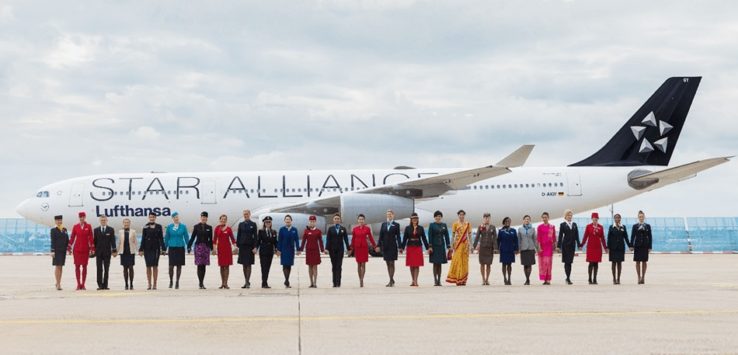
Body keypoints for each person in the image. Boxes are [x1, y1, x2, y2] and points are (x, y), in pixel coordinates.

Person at [139, 212, 165, 290]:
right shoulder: (145, 226)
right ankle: (149, 283)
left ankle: (155, 284)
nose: (152, 218)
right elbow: (143, 238)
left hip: (156, 248)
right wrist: (141, 249)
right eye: (150, 217)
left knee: (155, 266)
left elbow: (161, 238)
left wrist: (163, 248)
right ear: (149, 218)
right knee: (148, 266)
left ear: (155, 218)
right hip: (147, 249)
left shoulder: (159, 226)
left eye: (153, 217)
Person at [350, 214, 378, 288]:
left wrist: (375, 246)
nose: (361, 220)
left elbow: (371, 238)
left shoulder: (367, 228)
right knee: (358, 265)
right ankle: (360, 279)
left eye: (362, 219)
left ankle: (362, 279)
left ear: (364, 220)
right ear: (358, 220)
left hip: (364, 248)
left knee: (363, 264)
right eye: (359, 219)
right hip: (357, 248)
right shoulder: (355, 229)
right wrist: (351, 248)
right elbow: (353, 239)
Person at [188, 212, 213, 290]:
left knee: (204, 265)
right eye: (202, 217)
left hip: (206, 247)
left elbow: (210, 239)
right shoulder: (196, 227)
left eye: (205, 217)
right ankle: (200, 283)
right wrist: (189, 246)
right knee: (199, 265)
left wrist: (212, 248)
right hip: (198, 247)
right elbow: (192, 237)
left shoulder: (209, 227)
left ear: (207, 218)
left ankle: (202, 282)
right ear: (200, 217)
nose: (204, 218)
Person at [401, 213, 428, 287]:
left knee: (417, 264)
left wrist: (428, 247)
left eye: (416, 218)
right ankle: (413, 280)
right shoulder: (407, 228)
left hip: (418, 247)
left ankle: (416, 281)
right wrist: (402, 248)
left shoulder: (420, 228)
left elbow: (424, 238)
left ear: (418, 220)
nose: (415, 220)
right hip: (410, 247)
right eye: (413, 219)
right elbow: (405, 239)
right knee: (411, 265)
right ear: (411, 220)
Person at [68, 211, 93, 290]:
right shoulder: (75, 226)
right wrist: (69, 246)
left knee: (85, 266)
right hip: (77, 249)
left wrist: (92, 248)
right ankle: (78, 284)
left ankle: (83, 284)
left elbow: (91, 237)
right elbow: (72, 237)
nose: (82, 218)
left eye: (83, 217)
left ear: (85, 217)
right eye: (80, 217)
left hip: (85, 249)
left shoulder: (88, 226)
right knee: (77, 266)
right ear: (79, 218)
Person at [581, 212, 608, 285]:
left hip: (597, 247)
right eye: (594, 219)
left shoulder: (600, 227)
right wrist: (582, 244)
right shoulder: (588, 226)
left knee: (596, 263)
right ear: (592, 219)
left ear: (598, 219)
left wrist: (605, 247)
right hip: (590, 247)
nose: (595, 220)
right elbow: (585, 236)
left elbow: (602, 238)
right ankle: (589, 278)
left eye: (596, 219)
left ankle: (595, 279)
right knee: (591, 263)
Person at [446, 210, 471, 286]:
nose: (461, 216)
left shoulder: (468, 224)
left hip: (465, 245)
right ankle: (458, 279)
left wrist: (471, 245)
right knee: (457, 261)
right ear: (458, 215)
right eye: (460, 215)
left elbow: (469, 235)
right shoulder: (455, 224)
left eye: (463, 215)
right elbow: (453, 235)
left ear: (464, 215)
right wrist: (451, 245)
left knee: (464, 262)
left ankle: (463, 279)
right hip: (457, 244)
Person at [378, 209, 402, 287]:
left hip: (393, 246)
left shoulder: (396, 225)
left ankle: (391, 281)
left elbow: (398, 236)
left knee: (392, 263)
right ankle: (391, 279)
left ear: (393, 215)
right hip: (385, 246)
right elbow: (381, 236)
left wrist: (400, 246)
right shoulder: (384, 224)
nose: (389, 215)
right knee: (388, 263)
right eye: (388, 214)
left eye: (390, 214)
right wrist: (378, 245)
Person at [164, 212, 188, 289]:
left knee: (179, 265)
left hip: (180, 247)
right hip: (172, 247)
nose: (176, 218)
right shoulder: (169, 227)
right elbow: (167, 238)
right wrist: (165, 247)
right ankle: (171, 280)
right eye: (175, 217)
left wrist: (189, 246)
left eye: (177, 217)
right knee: (171, 266)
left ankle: (177, 281)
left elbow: (186, 237)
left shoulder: (183, 226)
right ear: (173, 218)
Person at [557, 209, 581, 285]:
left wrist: (579, 244)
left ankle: (568, 277)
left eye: (570, 215)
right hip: (565, 245)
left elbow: (577, 235)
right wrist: (558, 246)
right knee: (567, 262)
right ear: (565, 216)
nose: (569, 216)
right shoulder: (562, 225)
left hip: (572, 246)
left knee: (570, 262)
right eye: (568, 215)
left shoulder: (574, 224)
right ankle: (568, 278)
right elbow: (560, 236)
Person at [325, 213, 350, 288]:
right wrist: (326, 248)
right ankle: (334, 282)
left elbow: (346, 240)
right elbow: (328, 240)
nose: (337, 220)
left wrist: (348, 249)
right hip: (332, 250)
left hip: (340, 250)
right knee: (334, 266)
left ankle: (338, 282)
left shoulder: (343, 229)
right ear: (333, 220)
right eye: (335, 219)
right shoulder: (330, 229)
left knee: (339, 266)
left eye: (338, 219)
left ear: (340, 220)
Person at [472, 213, 497, 286]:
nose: (487, 219)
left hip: (490, 248)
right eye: (485, 218)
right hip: (482, 247)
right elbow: (477, 237)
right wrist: (474, 246)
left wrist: (495, 248)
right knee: (482, 264)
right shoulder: (480, 226)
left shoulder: (493, 227)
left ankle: (487, 279)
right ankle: (483, 279)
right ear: (483, 218)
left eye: (488, 218)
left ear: (490, 218)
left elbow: (495, 238)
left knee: (489, 264)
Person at [427, 210, 451, 286]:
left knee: (440, 264)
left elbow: (446, 236)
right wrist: (430, 246)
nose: (438, 217)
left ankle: (439, 280)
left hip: (441, 246)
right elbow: (430, 236)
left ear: (441, 217)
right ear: (434, 217)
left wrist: (448, 245)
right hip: (434, 246)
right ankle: (435, 280)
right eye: (437, 216)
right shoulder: (432, 225)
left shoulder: (444, 225)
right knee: (435, 263)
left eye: (439, 216)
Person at [300, 215, 325, 288]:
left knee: (315, 266)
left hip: (315, 250)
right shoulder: (306, 231)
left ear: (315, 222)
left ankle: (315, 282)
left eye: (313, 221)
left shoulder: (318, 231)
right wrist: (300, 250)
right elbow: (303, 241)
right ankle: (311, 282)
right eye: (311, 221)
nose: (312, 223)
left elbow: (320, 241)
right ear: (309, 222)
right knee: (309, 266)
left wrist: (322, 250)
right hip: (308, 250)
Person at [93, 215, 117, 290]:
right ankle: (100, 284)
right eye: (102, 220)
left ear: (107, 221)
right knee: (99, 269)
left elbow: (113, 241)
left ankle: (105, 285)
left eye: (104, 220)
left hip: (107, 253)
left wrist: (114, 250)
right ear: (100, 221)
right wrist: (94, 251)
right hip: (99, 253)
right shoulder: (96, 230)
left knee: (106, 269)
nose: (103, 221)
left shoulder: (111, 230)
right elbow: (95, 242)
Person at [236, 209, 258, 289]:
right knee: (244, 264)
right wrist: (237, 246)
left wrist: (255, 247)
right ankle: (246, 281)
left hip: (250, 247)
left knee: (248, 264)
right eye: (244, 214)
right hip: (242, 247)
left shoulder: (253, 224)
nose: (246, 215)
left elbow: (255, 236)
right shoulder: (241, 224)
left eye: (247, 214)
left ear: (249, 214)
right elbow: (238, 235)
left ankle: (247, 281)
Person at [607, 213, 631, 285]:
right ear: (614, 219)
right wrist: (608, 247)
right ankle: (614, 278)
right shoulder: (611, 227)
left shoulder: (623, 227)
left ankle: (618, 279)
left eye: (618, 218)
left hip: (620, 248)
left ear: (620, 219)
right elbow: (609, 238)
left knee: (619, 263)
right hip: (613, 248)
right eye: (616, 218)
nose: (617, 219)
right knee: (613, 263)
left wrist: (630, 246)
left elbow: (626, 237)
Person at [277, 215, 300, 288]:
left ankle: (287, 280)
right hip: (283, 249)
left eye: (289, 219)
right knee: (284, 265)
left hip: (291, 250)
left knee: (289, 265)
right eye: (286, 219)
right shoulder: (282, 229)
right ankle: (286, 280)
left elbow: (296, 240)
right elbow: (279, 240)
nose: (287, 220)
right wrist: (279, 250)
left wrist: (298, 249)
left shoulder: (294, 229)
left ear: (291, 221)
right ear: (284, 221)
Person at [214, 214, 237, 289]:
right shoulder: (217, 228)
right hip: (220, 249)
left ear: (226, 220)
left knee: (226, 266)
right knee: (221, 266)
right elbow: (214, 240)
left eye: (224, 219)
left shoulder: (229, 229)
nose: (223, 220)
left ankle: (225, 283)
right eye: (222, 219)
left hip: (227, 249)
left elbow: (233, 239)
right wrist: (214, 249)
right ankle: (222, 283)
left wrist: (235, 247)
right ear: (220, 220)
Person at [632, 210, 653, 285]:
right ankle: (638, 277)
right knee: (637, 262)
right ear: (638, 217)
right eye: (640, 217)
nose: (641, 218)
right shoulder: (635, 226)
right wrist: (631, 245)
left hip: (645, 246)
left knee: (644, 261)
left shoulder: (647, 226)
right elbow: (632, 236)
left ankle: (643, 277)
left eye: (642, 216)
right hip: (637, 246)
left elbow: (650, 237)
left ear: (644, 217)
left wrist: (650, 246)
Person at [256, 216, 278, 288]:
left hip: (270, 251)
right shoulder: (261, 231)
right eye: (266, 222)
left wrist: (277, 249)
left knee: (268, 267)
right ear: (264, 223)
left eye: (269, 222)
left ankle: (265, 282)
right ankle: (264, 283)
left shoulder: (274, 232)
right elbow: (258, 241)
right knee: (264, 267)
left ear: (271, 223)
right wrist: (256, 248)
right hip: (263, 251)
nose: (268, 223)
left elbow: (275, 242)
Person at [518, 215, 539, 285]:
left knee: (529, 265)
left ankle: (528, 279)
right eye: (526, 219)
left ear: (530, 221)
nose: (527, 220)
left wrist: (537, 248)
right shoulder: (520, 229)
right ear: (523, 220)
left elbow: (535, 239)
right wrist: (519, 248)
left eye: (528, 219)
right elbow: (519, 240)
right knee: (525, 265)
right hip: (523, 249)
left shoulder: (532, 229)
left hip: (530, 248)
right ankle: (527, 278)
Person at [117, 218, 138, 290]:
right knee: (125, 268)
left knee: (131, 268)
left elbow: (135, 242)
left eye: (127, 222)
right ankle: (126, 284)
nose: (126, 224)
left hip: (130, 251)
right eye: (125, 222)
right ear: (123, 223)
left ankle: (131, 284)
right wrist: (116, 251)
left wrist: (139, 250)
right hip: (123, 252)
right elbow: (119, 242)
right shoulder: (120, 232)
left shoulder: (133, 231)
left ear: (130, 223)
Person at [497, 217, 519, 286]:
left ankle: (509, 278)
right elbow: (498, 241)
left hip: (511, 250)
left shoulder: (513, 230)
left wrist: (516, 249)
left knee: (509, 265)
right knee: (504, 264)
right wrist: (497, 249)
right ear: (504, 222)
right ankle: (504, 278)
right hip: (503, 250)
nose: (507, 222)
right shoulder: (501, 231)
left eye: (509, 221)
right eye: (506, 221)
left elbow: (516, 241)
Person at [536, 212, 556, 285]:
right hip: (542, 247)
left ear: (548, 217)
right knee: (543, 264)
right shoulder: (539, 227)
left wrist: (555, 247)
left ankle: (548, 279)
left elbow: (554, 238)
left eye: (546, 217)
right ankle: (544, 279)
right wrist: (539, 247)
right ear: (542, 218)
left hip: (549, 247)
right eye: (543, 217)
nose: (544, 218)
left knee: (548, 263)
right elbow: (538, 238)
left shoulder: (552, 227)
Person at [50, 215, 69, 291]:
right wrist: (52, 251)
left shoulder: (64, 229)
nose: (59, 222)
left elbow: (67, 239)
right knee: (57, 266)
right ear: (55, 221)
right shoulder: (53, 230)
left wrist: (68, 248)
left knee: (61, 267)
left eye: (60, 220)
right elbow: (52, 241)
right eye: (58, 220)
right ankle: (58, 283)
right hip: (57, 251)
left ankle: (58, 282)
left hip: (63, 251)